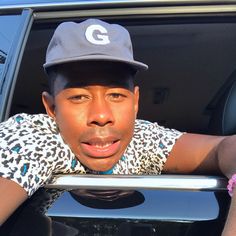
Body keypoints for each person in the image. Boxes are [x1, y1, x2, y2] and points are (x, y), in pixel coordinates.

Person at [0, 18, 236, 235]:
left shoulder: (143, 141)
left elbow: (225, 149)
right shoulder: (35, 139)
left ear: (135, 102)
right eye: (78, 97)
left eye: (115, 95)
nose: (101, 115)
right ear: (51, 109)